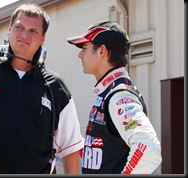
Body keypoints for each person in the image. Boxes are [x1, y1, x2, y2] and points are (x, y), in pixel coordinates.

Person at [0, 3, 84, 174]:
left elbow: (70, 149)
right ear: (9, 29)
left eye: (33, 31)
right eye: (19, 27)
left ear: (43, 38)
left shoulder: (56, 88)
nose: (24, 35)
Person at [66, 20, 162, 174]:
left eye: (84, 48)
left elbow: (148, 149)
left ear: (102, 51)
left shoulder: (119, 96)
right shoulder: (109, 92)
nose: (80, 54)